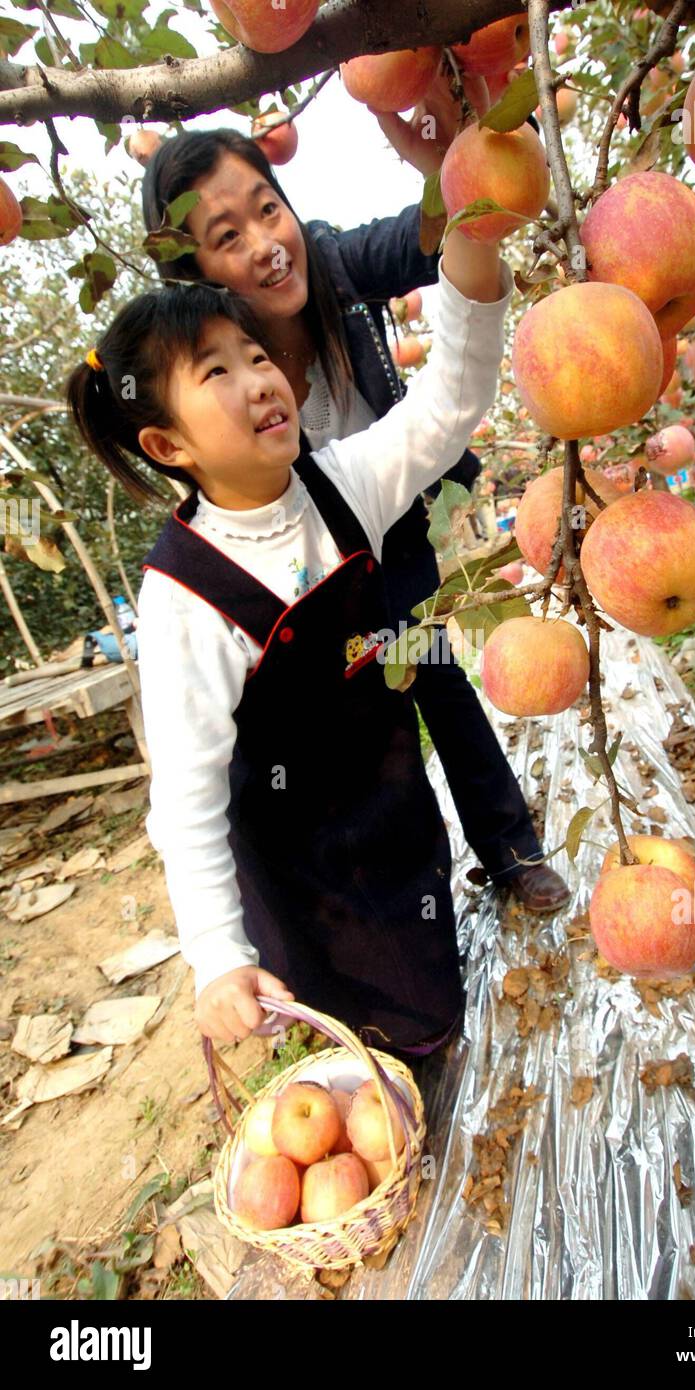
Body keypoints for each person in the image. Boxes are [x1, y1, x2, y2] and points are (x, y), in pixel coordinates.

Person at [65, 217, 516, 1056]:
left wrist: (475, 224)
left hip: (392, 816)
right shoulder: (183, 596)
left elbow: (447, 404)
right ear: (167, 445)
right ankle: (393, 1094)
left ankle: (422, 1055)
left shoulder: (341, 484)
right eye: (217, 372)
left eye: (256, 356)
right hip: (303, 874)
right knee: (369, 1020)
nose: (259, 380)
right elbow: (188, 798)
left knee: (424, 973)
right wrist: (214, 958)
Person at [139, 102, 569, 916]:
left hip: (390, 505)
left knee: (435, 672)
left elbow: (439, 228)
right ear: (193, 272)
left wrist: (439, 160)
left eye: (268, 209)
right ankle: (378, 907)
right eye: (227, 237)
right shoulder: (209, 369)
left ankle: (511, 851)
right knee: (351, 723)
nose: (266, 245)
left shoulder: (333, 263)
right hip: (307, 551)